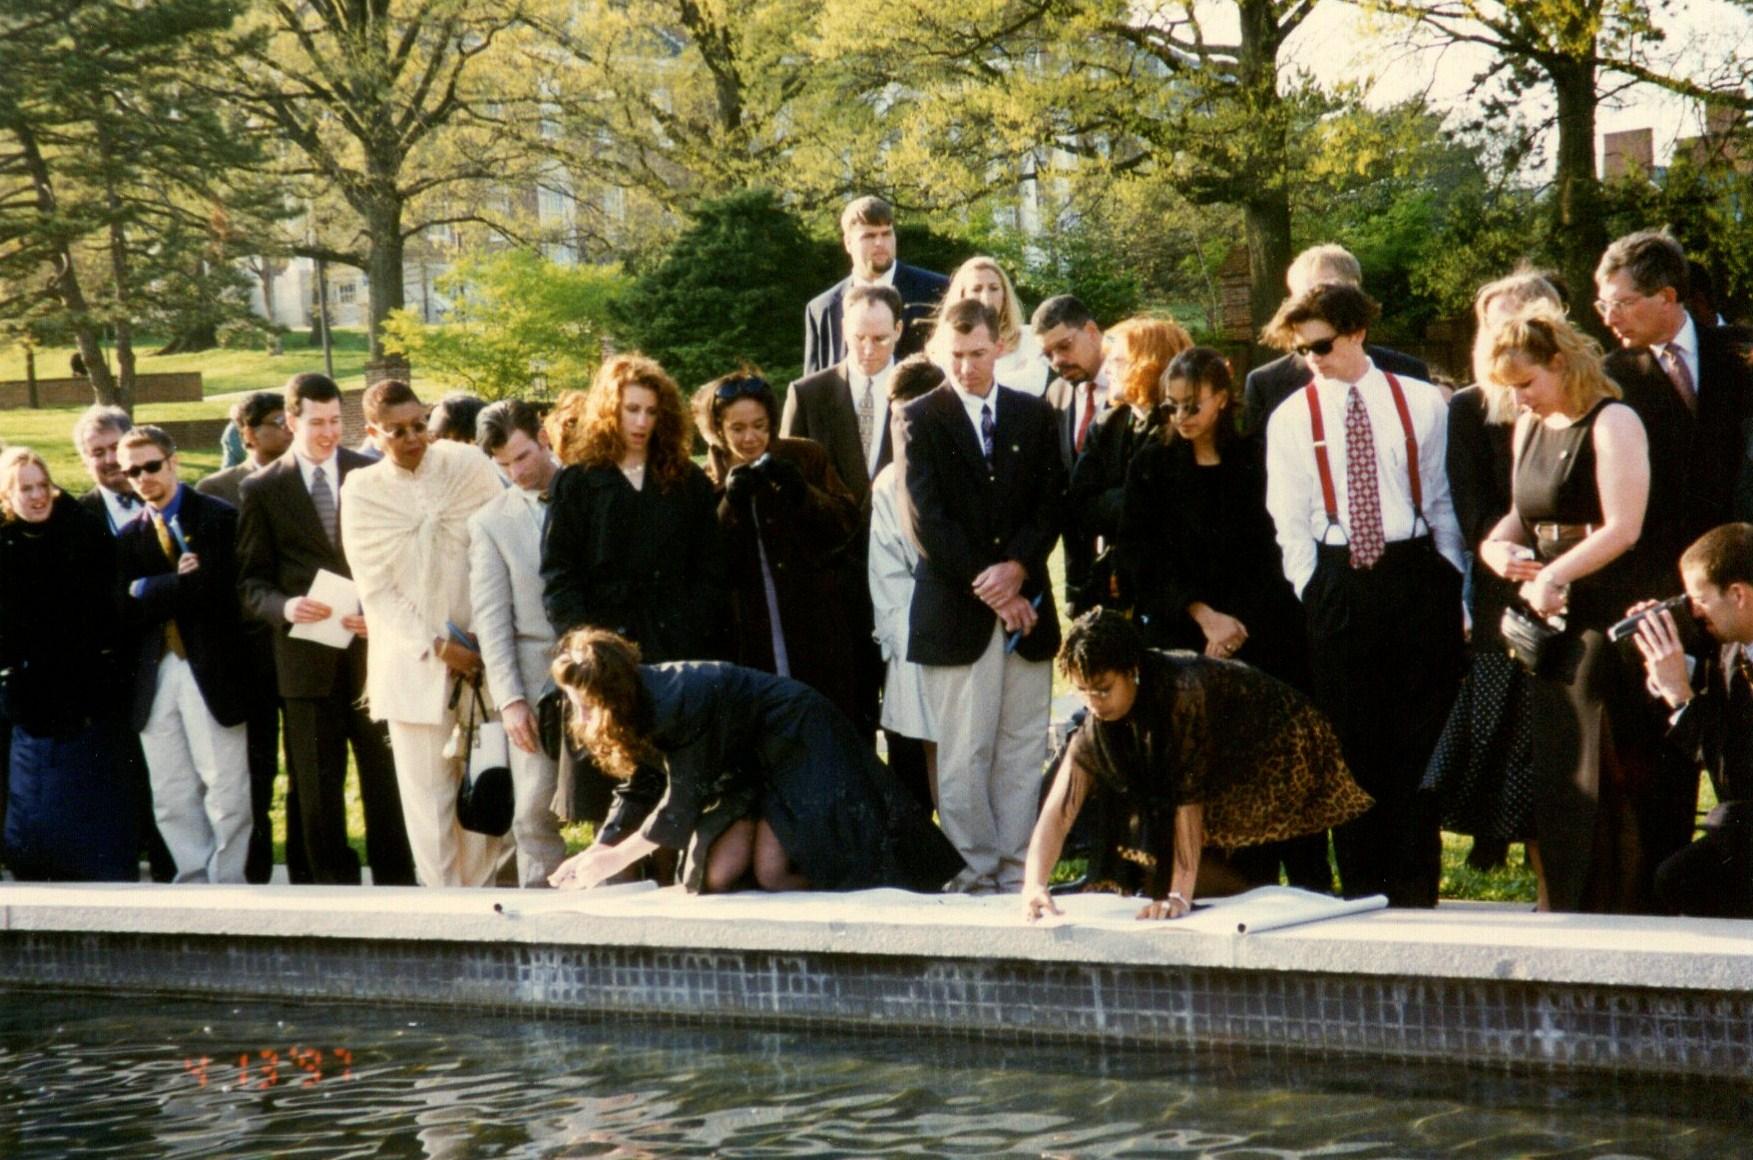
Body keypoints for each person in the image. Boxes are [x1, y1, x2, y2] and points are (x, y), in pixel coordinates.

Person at [1263, 281, 1465, 907]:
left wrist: (1450, 585)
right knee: (1352, 743)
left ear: (1356, 332)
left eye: (1322, 345)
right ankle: (1363, 890)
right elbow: (1287, 515)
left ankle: (1415, 890)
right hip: (1339, 578)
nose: (1312, 360)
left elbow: (1440, 500)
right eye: (1302, 350)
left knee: (1417, 739)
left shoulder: (1421, 402)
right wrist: (1315, 588)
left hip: (1414, 574)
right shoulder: (1293, 415)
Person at [544, 627, 964, 894]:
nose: (580, 717)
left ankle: (845, 885)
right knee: (715, 877)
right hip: (745, 763)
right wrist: (596, 849)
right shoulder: (635, 702)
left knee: (777, 872)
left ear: (612, 695)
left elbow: (679, 804)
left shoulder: (678, 701)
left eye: (587, 705)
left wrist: (613, 860)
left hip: (796, 740)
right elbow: (639, 785)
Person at [1475, 308, 1655, 912]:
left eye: (1526, 384)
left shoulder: (1614, 421)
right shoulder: (1529, 427)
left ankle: (1619, 910)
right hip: (1547, 621)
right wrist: (1495, 548)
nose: (1519, 400)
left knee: (1602, 773)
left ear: (1560, 362)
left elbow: (1624, 528)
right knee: (1556, 777)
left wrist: (1555, 572)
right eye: (1509, 390)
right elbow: (1520, 515)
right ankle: (1563, 907)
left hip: (1605, 615)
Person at [1021, 611, 1371, 922]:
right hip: (1218, 754)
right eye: (1083, 692)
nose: (1094, 703)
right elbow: (1059, 809)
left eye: (1103, 689)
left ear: (1132, 671)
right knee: (1165, 880)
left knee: (1229, 889)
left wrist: (1177, 895)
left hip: (1278, 742)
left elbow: (1187, 799)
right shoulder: (1097, 721)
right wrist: (1034, 884)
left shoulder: (1181, 694)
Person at [893, 297, 1067, 893]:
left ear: (999, 346)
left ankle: (1021, 864)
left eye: (977, 353)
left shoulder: (1034, 414)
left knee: (1021, 741)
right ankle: (976, 864)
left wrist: (1019, 567)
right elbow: (926, 521)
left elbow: (1052, 502)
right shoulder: (919, 417)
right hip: (957, 607)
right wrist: (995, 588)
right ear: (940, 352)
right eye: (955, 355)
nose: (965, 367)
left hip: (1028, 604)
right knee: (965, 746)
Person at [237, 372, 415, 887]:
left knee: (386, 784)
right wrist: (286, 606)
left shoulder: (370, 472)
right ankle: (331, 897)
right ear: (291, 421)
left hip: (371, 656)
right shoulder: (262, 488)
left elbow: (400, 564)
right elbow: (250, 583)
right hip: (304, 662)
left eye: (337, 421)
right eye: (317, 422)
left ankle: (398, 890)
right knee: (316, 788)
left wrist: (378, 615)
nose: (329, 433)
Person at [541, 354, 727, 843]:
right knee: (616, 793)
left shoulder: (686, 481)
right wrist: (584, 647)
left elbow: (711, 571)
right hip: (605, 650)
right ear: (610, 410)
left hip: (675, 646)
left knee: (674, 789)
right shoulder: (577, 482)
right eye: (631, 410)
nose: (642, 422)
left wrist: (689, 626)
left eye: (651, 411)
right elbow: (559, 575)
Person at [1423, 271, 1566, 869]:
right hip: (1501, 597)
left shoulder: (1589, 401)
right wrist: (1508, 556)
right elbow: (1472, 507)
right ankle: (1540, 893)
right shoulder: (1468, 408)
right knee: (1512, 758)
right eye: (1490, 323)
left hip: (1573, 585)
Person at [342, 379, 509, 888]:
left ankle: (482, 911)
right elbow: (376, 588)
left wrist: (480, 637)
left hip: (481, 655)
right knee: (429, 805)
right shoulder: (362, 490)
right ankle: (444, 915)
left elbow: (495, 550)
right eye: (397, 431)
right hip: (413, 664)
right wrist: (437, 648)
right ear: (373, 433)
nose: (413, 438)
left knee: (483, 792)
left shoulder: (469, 465)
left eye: (419, 425)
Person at [115, 426, 253, 884]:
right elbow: (123, 606)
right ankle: (193, 877)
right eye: (131, 471)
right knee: (171, 789)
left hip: (210, 667)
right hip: (156, 671)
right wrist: (175, 582)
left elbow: (217, 592)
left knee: (225, 785)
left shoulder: (217, 517)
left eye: (151, 466)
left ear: (173, 461)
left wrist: (150, 589)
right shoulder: (130, 533)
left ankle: (227, 882)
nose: (142, 477)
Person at [695, 370, 864, 726]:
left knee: (826, 726)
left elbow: (848, 525)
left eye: (760, 425)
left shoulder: (805, 456)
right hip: (747, 632)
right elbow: (704, 562)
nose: (751, 437)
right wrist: (728, 505)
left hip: (815, 626)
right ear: (719, 430)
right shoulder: (704, 481)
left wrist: (804, 494)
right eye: (737, 429)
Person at [0, 448, 139, 881]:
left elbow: (110, 606)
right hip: (30, 692)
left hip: (90, 687)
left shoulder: (83, 529)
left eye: (44, 486)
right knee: (38, 798)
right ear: (7, 494)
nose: (38, 496)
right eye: (26, 489)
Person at [198, 389, 303, 883]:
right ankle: (255, 865)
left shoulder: (307, 477)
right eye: (276, 421)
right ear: (247, 433)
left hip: (304, 638)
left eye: (290, 419)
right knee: (256, 765)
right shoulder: (217, 490)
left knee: (307, 764)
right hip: (247, 650)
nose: (287, 428)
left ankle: (307, 864)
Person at [468, 400, 569, 887]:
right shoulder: (489, 521)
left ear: (544, 436)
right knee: (532, 811)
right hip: (533, 676)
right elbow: (491, 620)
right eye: (503, 464)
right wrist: (509, 700)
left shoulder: (591, 488)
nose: (516, 472)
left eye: (524, 457)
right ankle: (541, 910)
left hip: (605, 668)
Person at [1632, 523, 1753, 918]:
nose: (1695, 612)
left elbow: (1737, 777)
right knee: (1681, 874)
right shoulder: (1734, 648)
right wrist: (1665, 663)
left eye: (1700, 599)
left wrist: (1681, 698)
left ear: (1738, 594)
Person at [868, 356, 950, 811]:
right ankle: (958, 858)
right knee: (934, 744)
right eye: (900, 416)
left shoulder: (970, 464)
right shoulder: (887, 486)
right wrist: (912, 645)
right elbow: (886, 575)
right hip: (917, 633)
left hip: (973, 623)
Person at [1067, 316, 1191, 616]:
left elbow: (1170, 512)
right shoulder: (1107, 423)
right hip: (1117, 588)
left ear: (1150, 364)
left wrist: (1116, 500)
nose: (1107, 369)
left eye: (1119, 361)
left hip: (1175, 592)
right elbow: (1079, 506)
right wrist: (1135, 500)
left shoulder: (1186, 428)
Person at [1241, 244, 1432, 436]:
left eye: (1324, 292)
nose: (1313, 304)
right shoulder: (1267, 385)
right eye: (1302, 296)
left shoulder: (1408, 374)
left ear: (1355, 294)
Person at [783, 284, 905, 515]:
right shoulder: (807, 394)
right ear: (844, 328)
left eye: (880, 339)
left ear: (898, 330)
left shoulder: (923, 392)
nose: (868, 350)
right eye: (859, 338)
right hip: (828, 541)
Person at [803, 195, 949, 376]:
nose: (880, 243)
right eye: (869, 236)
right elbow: (813, 390)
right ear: (848, 243)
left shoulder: (937, 291)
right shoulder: (822, 309)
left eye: (887, 233)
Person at [1033, 295, 1109, 612]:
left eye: (1064, 346)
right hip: (1081, 578)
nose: (1057, 361)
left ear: (1091, 331)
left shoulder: (1133, 385)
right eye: (1048, 354)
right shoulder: (1057, 393)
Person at [939, 256, 1050, 396]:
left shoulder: (1029, 337)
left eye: (994, 288)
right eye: (976, 289)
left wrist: (976, 383)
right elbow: (952, 392)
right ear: (962, 295)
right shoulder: (944, 343)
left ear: (1004, 295)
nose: (986, 297)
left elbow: (1034, 385)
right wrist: (1015, 378)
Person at [198, 392, 294, 507]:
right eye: (281, 422)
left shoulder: (312, 480)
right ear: (250, 434)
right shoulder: (216, 488)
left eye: (294, 422)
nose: (291, 429)